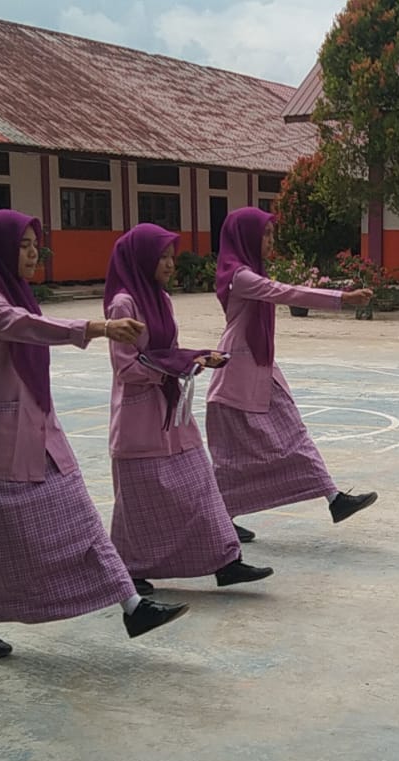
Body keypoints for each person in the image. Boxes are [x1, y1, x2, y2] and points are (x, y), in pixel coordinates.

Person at [0, 209, 189, 660]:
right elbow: (24, 326)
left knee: (81, 517)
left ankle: (132, 606)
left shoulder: (15, 295)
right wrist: (97, 327)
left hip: (39, 429)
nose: (34, 253)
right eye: (23, 245)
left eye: (36, 245)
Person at [102, 224, 274, 596]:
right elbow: (127, 368)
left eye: (170, 257)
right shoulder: (123, 304)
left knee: (200, 484)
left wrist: (195, 359)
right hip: (139, 418)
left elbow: (167, 352)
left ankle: (226, 562)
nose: (168, 264)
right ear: (142, 259)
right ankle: (128, 570)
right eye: (161, 257)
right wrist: (181, 364)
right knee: (138, 501)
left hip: (172, 412)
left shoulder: (161, 299)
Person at [204, 206, 376, 543]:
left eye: (271, 234)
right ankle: (221, 517)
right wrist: (342, 298)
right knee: (233, 459)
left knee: (294, 434)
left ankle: (334, 498)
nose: (270, 241)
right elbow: (285, 292)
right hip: (237, 373)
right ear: (246, 237)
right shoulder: (239, 276)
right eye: (264, 235)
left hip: (262, 366)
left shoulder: (248, 271)